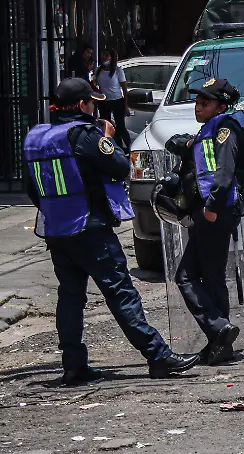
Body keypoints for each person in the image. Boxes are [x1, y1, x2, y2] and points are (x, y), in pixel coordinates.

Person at [23, 78, 199, 384]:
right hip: (91, 229)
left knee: (70, 297)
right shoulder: (86, 135)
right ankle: (158, 356)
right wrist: (108, 136)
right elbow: (120, 167)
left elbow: (32, 189)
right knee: (121, 293)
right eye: (93, 103)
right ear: (82, 105)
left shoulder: (38, 138)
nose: (96, 107)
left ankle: (73, 365)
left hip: (57, 229)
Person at [173, 78, 244, 364]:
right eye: (197, 103)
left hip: (215, 210)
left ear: (221, 106)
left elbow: (225, 171)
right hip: (210, 210)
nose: (198, 108)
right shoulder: (209, 129)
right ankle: (220, 341)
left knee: (187, 276)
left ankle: (219, 329)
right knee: (211, 276)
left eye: (205, 104)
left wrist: (213, 206)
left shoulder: (225, 128)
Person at [92, 49, 132, 150]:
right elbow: (95, 84)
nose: (104, 58)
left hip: (117, 100)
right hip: (104, 102)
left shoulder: (118, 70)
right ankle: (114, 148)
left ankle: (131, 148)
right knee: (107, 126)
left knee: (120, 126)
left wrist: (126, 106)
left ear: (112, 58)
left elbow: (124, 88)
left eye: (107, 55)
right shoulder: (98, 70)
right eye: (103, 55)